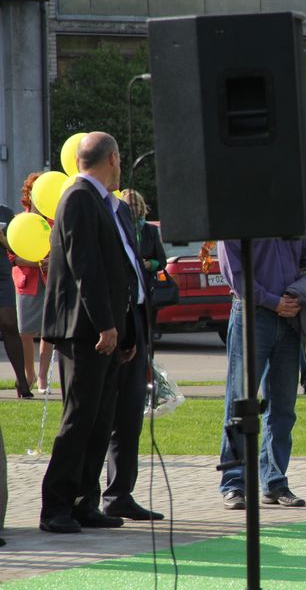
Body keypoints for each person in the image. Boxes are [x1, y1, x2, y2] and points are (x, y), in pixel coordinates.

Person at [40, 131, 140, 533]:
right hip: (85, 331)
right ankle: (55, 506)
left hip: (105, 329)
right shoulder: (80, 198)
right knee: (80, 418)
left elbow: (117, 270)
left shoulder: (99, 202)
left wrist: (124, 329)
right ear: (112, 159)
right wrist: (106, 325)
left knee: (101, 418)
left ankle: (84, 501)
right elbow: (86, 268)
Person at [217, 233, 306, 510]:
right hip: (250, 315)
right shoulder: (236, 211)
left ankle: (275, 482)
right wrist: (272, 301)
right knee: (240, 403)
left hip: (291, 319)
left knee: (283, 406)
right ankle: (233, 484)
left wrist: (300, 290)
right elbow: (233, 272)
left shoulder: (293, 208)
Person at [83, 188, 161, 521]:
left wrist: (132, 329)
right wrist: (113, 326)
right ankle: (81, 498)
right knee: (97, 417)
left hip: (135, 324)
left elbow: (136, 273)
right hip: (107, 329)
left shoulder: (131, 222)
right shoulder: (89, 208)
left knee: (130, 416)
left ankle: (120, 494)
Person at [12, 173, 53, 396]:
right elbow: (12, 256)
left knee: (49, 331)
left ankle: (43, 376)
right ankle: (29, 373)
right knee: (24, 330)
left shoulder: (54, 222)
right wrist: (36, 262)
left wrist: (51, 261)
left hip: (50, 279)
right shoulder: (20, 221)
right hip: (26, 280)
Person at [120, 190, 166, 327]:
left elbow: (162, 261)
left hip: (147, 292)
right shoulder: (119, 229)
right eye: (128, 205)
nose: (132, 208)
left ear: (141, 207)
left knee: (146, 336)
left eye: (136, 204)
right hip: (126, 294)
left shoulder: (150, 231)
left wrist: (149, 264)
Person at [0, 201, 31, 399]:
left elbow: (15, 247)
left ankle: (22, 381)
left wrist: (2, 239)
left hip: (2, 273)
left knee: (10, 323)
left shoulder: (6, 211)